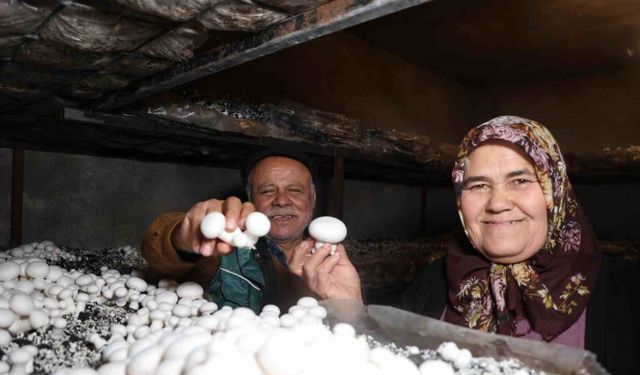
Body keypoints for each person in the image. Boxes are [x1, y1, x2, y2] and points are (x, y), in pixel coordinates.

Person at [402, 116, 639, 374]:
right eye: (478, 185)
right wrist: (354, 317)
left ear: (556, 191)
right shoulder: (432, 283)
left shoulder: (624, 291)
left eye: (520, 181)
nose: (497, 203)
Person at [141, 149, 362, 312]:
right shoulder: (223, 252)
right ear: (251, 200)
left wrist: (351, 306)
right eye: (267, 191)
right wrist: (183, 237)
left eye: (295, 190)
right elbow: (158, 254)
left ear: (312, 199)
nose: (282, 200)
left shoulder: (332, 263)